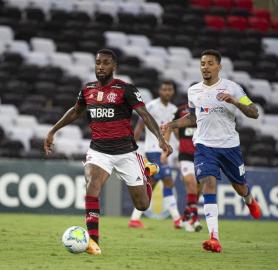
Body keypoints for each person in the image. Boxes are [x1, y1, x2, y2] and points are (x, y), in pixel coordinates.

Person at [44, 49, 172, 255]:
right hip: (99, 151)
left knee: (142, 205)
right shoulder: (88, 90)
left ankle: (145, 172)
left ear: (114, 67)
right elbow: (76, 111)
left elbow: (144, 114)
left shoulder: (125, 89)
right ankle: (93, 242)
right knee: (91, 186)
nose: (100, 67)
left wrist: (160, 138)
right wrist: (53, 130)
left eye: (105, 63)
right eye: (97, 63)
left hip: (126, 152)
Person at [161, 49, 261, 253]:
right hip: (205, 146)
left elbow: (254, 113)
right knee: (208, 183)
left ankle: (249, 200)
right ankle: (214, 237)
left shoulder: (233, 88)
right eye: (202, 63)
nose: (205, 67)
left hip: (229, 146)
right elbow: (192, 118)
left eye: (209, 63)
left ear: (219, 66)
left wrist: (234, 101)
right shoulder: (194, 91)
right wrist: (171, 125)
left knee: (240, 187)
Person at [128, 81, 182, 229]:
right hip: (153, 150)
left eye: (169, 89)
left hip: (166, 151)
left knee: (155, 183)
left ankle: (134, 218)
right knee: (167, 181)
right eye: (164, 89)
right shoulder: (151, 106)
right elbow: (139, 126)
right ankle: (177, 219)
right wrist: (132, 146)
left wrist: (182, 145)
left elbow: (176, 131)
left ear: (172, 92)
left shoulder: (174, 109)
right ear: (160, 90)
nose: (167, 92)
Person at [173, 98, 202, 232]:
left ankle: (185, 215)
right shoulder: (181, 110)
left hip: (202, 154)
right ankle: (195, 219)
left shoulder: (208, 109)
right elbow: (175, 127)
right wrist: (183, 142)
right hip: (185, 154)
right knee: (191, 182)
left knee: (199, 188)